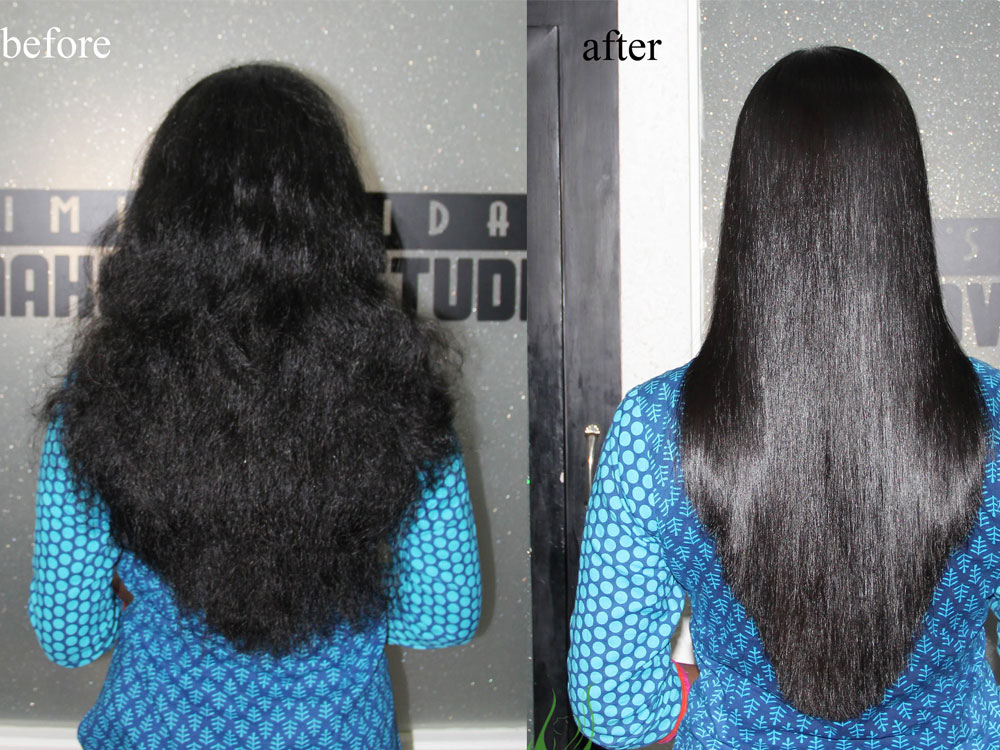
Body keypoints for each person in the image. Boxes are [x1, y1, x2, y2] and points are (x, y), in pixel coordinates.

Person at [29, 62, 481, 750]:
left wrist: (164, 611)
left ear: (163, 210)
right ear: (336, 209)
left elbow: (70, 636)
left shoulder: (105, 390)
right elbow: (443, 617)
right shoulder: (398, 386)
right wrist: (338, 610)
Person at [568, 46, 1000, 749]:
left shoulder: (655, 428)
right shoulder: (995, 421)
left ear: (748, 208)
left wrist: (719, 694)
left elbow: (612, 706)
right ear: (904, 204)